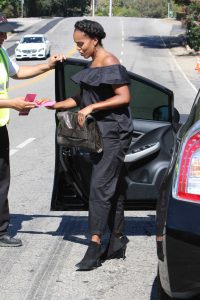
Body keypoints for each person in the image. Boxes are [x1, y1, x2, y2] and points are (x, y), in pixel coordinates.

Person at [46, 19, 133, 270]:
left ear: (94, 40)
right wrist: (54, 104)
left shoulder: (109, 61)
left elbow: (124, 97)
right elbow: (82, 97)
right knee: (111, 188)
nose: (78, 48)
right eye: (76, 44)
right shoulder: (93, 62)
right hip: (99, 133)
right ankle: (116, 240)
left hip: (114, 133)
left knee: (99, 188)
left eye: (80, 43)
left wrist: (92, 107)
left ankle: (94, 245)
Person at [0, 14, 65, 247]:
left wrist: (47, 65)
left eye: (6, 31)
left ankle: (0, 230)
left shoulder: (1, 53)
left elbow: (18, 73)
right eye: (1, 32)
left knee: (1, 180)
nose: (5, 36)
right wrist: (12, 103)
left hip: (0, 127)